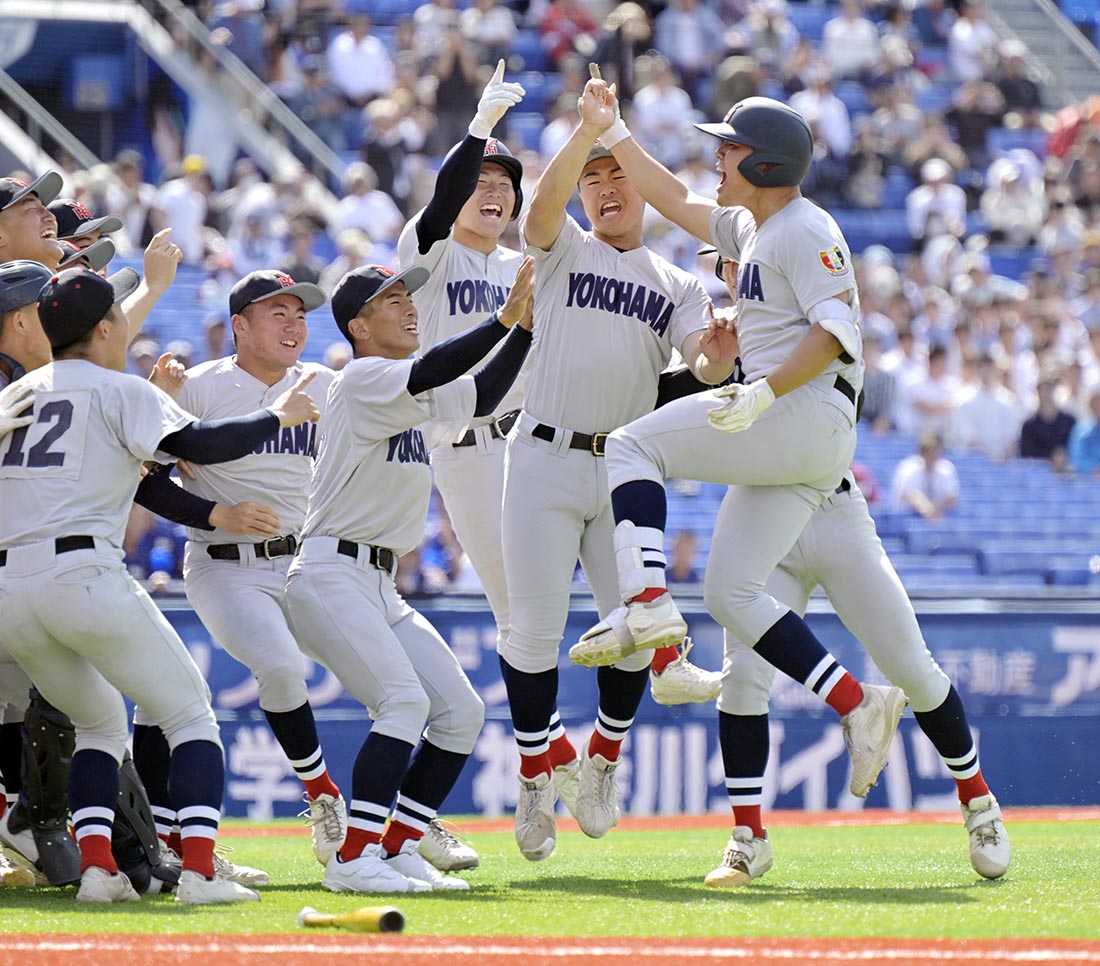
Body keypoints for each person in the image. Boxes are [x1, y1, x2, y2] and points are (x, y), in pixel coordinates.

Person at [566, 87, 906, 880]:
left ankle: (646, 603)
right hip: (798, 435)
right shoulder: (754, 225)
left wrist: (761, 390)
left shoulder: (805, 226)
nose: (716, 156)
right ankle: (860, 703)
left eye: (727, 147)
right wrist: (611, 128)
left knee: (629, 449)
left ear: (760, 161)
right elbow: (672, 196)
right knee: (729, 594)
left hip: (802, 415)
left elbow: (835, 332)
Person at [0, 267, 320, 903]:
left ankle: (98, 872)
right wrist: (276, 415)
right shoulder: (118, 388)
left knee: (98, 724)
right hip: (81, 570)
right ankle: (200, 872)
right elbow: (202, 441)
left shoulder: (17, 394)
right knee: (191, 712)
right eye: (118, 314)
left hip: (10, 586)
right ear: (104, 328)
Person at [697, 254, 1010, 886]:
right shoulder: (731, 330)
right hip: (762, 513)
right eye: (727, 265)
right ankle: (748, 836)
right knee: (743, 680)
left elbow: (821, 345)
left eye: (742, 262)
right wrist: (709, 361)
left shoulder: (812, 302)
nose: (736, 273)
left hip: (833, 509)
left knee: (912, 667)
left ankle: (979, 801)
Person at [499, 80, 739, 866]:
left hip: (618, 471)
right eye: (593, 178)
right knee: (531, 634)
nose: (604, 188)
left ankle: (601, 761)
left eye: (617, 175)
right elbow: (539, 216)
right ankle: (538, 774)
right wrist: (587, 134)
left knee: (637, 636)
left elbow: (703, 365)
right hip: (539, 454)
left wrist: (720, 354)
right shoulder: (566, 243)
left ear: (642, 187)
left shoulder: (678, 283)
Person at [285, 260, 535, 894]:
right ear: (358, 326)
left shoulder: (405, 388)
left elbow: (478, 397)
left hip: (377, 584)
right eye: (391, 299)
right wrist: (502, 319)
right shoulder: (362, 377)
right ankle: (352, 860)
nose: (408, 305)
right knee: (403, 703)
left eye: (408, 295)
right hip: (330, 570)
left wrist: (525, 331)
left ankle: (395, 848)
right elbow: (435, 370)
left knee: (460, 713)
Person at [131, 270, 348, 875]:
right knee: (280, 666)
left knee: (395, 679)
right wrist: (215, 512)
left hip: (307, 563)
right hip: (226, 567)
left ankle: (408, 822)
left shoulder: (326, 386)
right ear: (239, 326)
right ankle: (323, 794)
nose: (292, 322)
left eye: (299, 313)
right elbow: (143, 479)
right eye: (275, 312)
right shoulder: (197, 388)